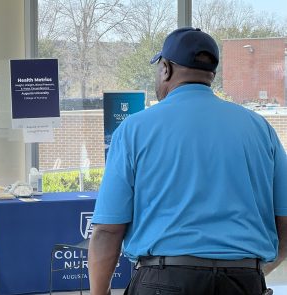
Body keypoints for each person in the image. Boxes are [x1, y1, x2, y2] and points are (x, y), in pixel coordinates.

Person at [88, 27, 287, 295]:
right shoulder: (260, 129)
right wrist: (255, 270)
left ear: (166, 69)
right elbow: (285, 220)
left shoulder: (135, 129)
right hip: (242, 280)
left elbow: (107, 231)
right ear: (211, 75)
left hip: (162, 280)